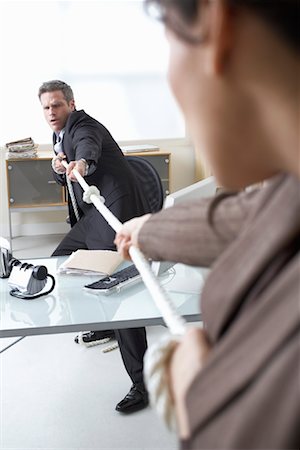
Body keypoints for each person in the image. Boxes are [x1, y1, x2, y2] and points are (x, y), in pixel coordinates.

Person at [115, 0, 300, 448]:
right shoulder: (288, 187)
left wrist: (195, 390)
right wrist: (148, 231)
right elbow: (244, 219)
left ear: (217, 26)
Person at [38, 80, 149, 414]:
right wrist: (60, 168)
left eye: (57, 105)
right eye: (45, 107)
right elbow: (68, 171)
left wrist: (81, 163)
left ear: (71, 104)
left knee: (120, 295)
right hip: (92, 218)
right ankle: (104, 326)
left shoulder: (84, 125)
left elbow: (88, 151)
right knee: (59, 260)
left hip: (116, 211)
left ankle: (142, 384)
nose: (51, 112)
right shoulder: (59, 134)